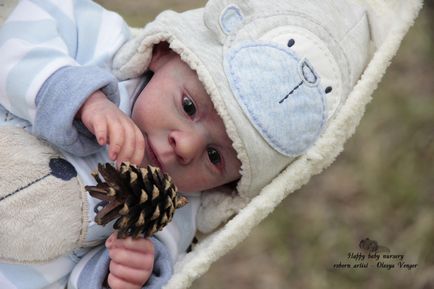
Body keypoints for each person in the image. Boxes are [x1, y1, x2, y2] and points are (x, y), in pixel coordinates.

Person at [0, 0, 372, 288]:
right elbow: (18, 27)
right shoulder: (103, 47)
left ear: (228, 185)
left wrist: (126, 273)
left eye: (216, 157)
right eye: (189, 106)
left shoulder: (172, 216)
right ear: (164, 52)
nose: (187, 146)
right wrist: (82, 98)